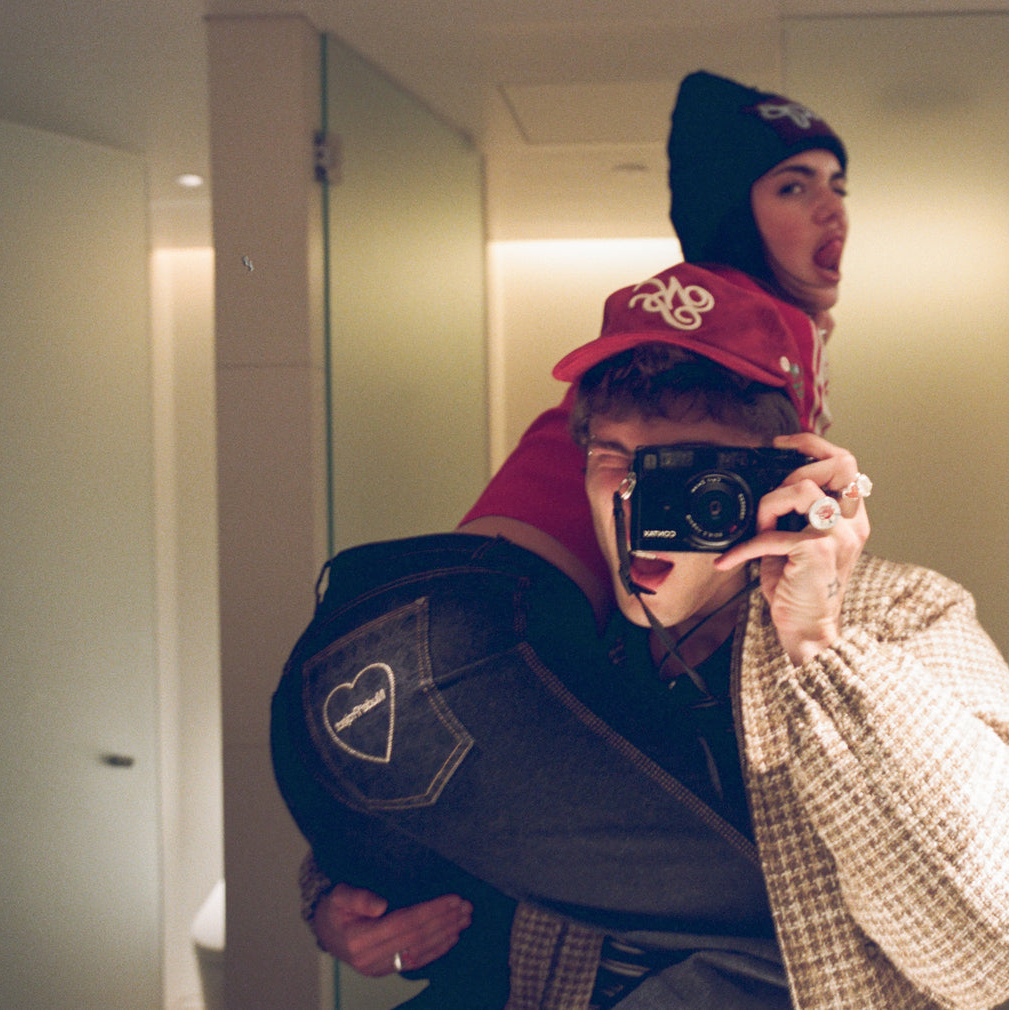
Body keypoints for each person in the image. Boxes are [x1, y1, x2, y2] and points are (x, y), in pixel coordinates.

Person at [273, 263, 1009, 1008]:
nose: (634, 499)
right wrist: (343, 901)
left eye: (683, 470)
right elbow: (467, 799)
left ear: (777, 471)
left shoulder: (899, 612)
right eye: (613, 456)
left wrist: (818, 643)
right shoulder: (566, 626)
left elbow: (988, 950)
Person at [305, 68, 857, 979]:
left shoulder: (879, 613)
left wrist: (340, 888)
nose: (831, 210)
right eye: (791, 187)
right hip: (456, 662)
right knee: (790, 909)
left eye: (836, 185)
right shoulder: (743, 328)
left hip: (382, 662)